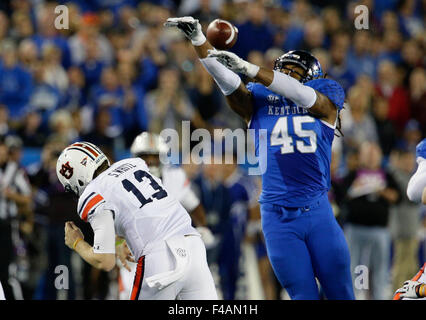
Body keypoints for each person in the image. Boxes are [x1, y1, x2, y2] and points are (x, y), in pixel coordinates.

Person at [165, 16, 354, 300]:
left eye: (294, 72)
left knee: (341, 293)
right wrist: (199, 41)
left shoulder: (325, 102)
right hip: (278, 220)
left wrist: (250, 69)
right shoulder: (259, 104)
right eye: (283, 71)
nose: (286, 77)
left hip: (319, 214)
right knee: (302, 296)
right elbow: (228, 83)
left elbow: (301, 94)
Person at [56, 141, 217, 300]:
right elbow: (137, 209)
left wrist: (77, 243)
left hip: (159, 257)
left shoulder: (93, 193)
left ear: (77, 179)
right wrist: (119, 242)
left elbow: (105, 261)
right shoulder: (134, 165)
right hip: (194, 245)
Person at [115, 132, 214, 300]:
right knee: (128, 294)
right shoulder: (122, 182)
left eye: (154, 156)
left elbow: (194, 206)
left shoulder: (175, 176)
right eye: (144, 157)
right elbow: (116, 220)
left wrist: (203, 227)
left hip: (170, 251)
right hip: (136, 251)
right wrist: (117, 243)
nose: (150, 161)